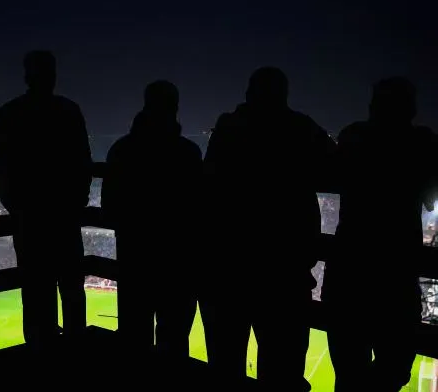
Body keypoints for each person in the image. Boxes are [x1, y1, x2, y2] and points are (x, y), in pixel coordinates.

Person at [201, 67, 336, 390]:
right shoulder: (301, 128)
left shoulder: (228, 126)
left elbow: (209, 185)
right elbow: (334, 161)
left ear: (249, 92)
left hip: (229, 267)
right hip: (284, 271)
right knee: (282, 371)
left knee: (225, 366)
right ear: (284, 94)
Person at [323, 77, 436, 391]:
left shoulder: (353, 136)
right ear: (411, 109)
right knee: (394, 369)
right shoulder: (422, 143)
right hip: (395, 277)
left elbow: (333, 173)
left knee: (348, 373)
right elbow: (429, 195)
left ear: (373, 106)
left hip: (349, 272)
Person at [0, 51, 92, 350]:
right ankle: (75, 352)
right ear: (54, 75)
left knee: (36, 294)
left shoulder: (10, 113)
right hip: (64, 218)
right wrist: (75, 203)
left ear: (26, 75)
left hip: (29, 221)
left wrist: (18, 208)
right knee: (72, 291)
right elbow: (83, 163)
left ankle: (39, 358)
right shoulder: (68, 111)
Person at [102, 80, 202, 359]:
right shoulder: (188, 153)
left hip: (135, 259)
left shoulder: (121, 151)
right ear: (175, 108)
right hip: (178, 262)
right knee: (174, 341)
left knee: (135, 339)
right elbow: (198, 209)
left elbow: (109, 207)